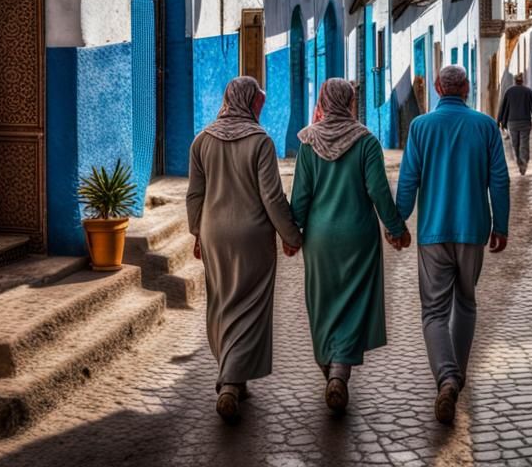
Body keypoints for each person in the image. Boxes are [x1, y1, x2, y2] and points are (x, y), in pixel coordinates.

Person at [396, 65, 510, 426]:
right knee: (466, 302)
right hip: (473, 230)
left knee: (433, 312)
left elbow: (408, 181)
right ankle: (455, 377)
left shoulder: (420, 127)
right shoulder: (485, 126)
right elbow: (500, 181)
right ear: (467, 87)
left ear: (435, 87)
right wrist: (501, 225)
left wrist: (398, 224)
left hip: (433, 232)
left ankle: (446, 378)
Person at [290, 78, 410, 415]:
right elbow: (379, 193)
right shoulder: (366, 141)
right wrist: (397, 228)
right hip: (359, 235)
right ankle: (340, 371)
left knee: (323, 300)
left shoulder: (307, 141)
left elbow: (299, 198)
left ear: (324, 101)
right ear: (350, 102)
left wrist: (290, 235)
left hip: (320, 237)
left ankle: (331, 367)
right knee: (354, 301)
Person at [186, 76, 303, 423]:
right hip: (252, 236)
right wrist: (291, 235)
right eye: (258, 103)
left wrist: (197, 232)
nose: (260, 109)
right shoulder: (260, 141)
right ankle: (230, 382)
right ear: (249, 102)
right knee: (250, 305)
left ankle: (235, 374)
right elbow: (271, 196)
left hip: (214, 233)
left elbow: (195, 195)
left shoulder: (201, 140)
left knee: (222, 301)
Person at [496, 72, 532, 175]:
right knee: (524, 143)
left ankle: (519, 162)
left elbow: (503, 107)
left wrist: (498, 121)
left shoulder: (509, 91)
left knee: (515, 144)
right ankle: (523, 163)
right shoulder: (528, 91)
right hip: (525, 122)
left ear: (515, 81)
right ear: (522, 81)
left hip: (512, 123)